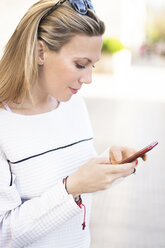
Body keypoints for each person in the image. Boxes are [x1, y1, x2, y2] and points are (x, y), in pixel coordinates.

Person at [0, 0, 146, 247]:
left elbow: (80, 184)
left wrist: (109, 165)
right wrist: (70, 188)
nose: (88, 78)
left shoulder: (73, 105)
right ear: (40, 53)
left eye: (93, 65)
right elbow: (4, 233)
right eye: (80, 64)